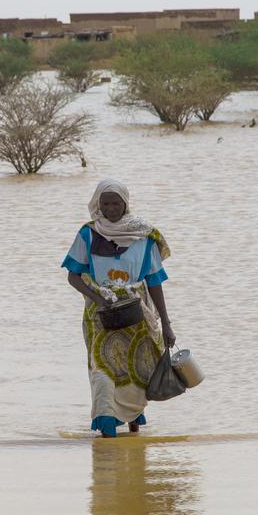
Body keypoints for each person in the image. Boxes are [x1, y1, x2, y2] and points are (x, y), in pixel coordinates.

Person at [61, 179, 176, 439]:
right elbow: (73, 276)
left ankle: (133, 428)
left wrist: (166, 323)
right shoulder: (88, 234)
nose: (111, 208)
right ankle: (107, 430)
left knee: (135, 368)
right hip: (101, 315)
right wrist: (99, 299)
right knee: (102, 369)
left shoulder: (144, 236)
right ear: (97, 205)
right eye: (105, 203)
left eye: (116, 203)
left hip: (137, 314)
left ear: (125, 203)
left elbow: (155, 281)